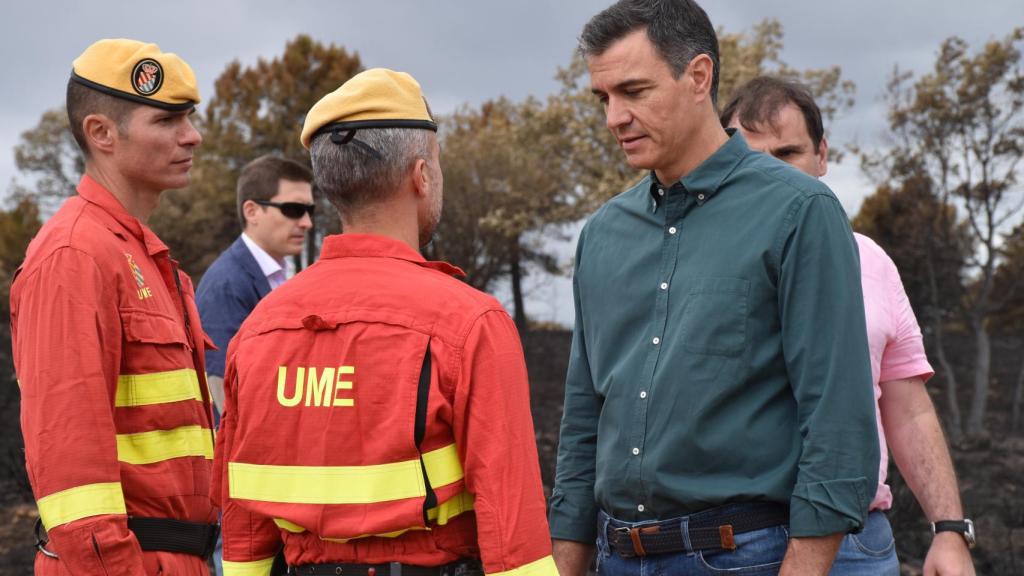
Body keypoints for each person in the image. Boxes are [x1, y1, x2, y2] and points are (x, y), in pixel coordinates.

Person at [548, 2, 880, 575]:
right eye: (604, 98)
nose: (614, 117)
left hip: (744, 556)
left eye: (633, 91)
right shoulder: (603, 233)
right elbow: (582, 421)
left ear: (698, 76)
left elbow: (837, 420)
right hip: (615, 557)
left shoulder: (800, 211)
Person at [212, 68, 557, 576]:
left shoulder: (258, 331)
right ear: (421, 175)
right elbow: (513, 530)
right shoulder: (471, 323)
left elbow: (243, 525)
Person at [721, 75, 977, 576]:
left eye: (788, 153)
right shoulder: (693, 265)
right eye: (752, 156)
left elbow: (906, 407)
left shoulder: (870, 261)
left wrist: (949, 529)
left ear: (822, 156)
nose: (771, 173)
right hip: (735, 545)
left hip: (859, 544)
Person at [11, 39, 218, 575]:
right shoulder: (75, 255)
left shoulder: (139, 255)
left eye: (189, 118)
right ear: (101, 133)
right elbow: (72, 474)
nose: (191, 135)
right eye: (169, 120)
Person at [196, 155, 314, 416]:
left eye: (310, 210)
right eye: (293, 209)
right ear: (252, 211)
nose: (307, 222)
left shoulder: (278, 275)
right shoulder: (227, 284)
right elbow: (222, 390)